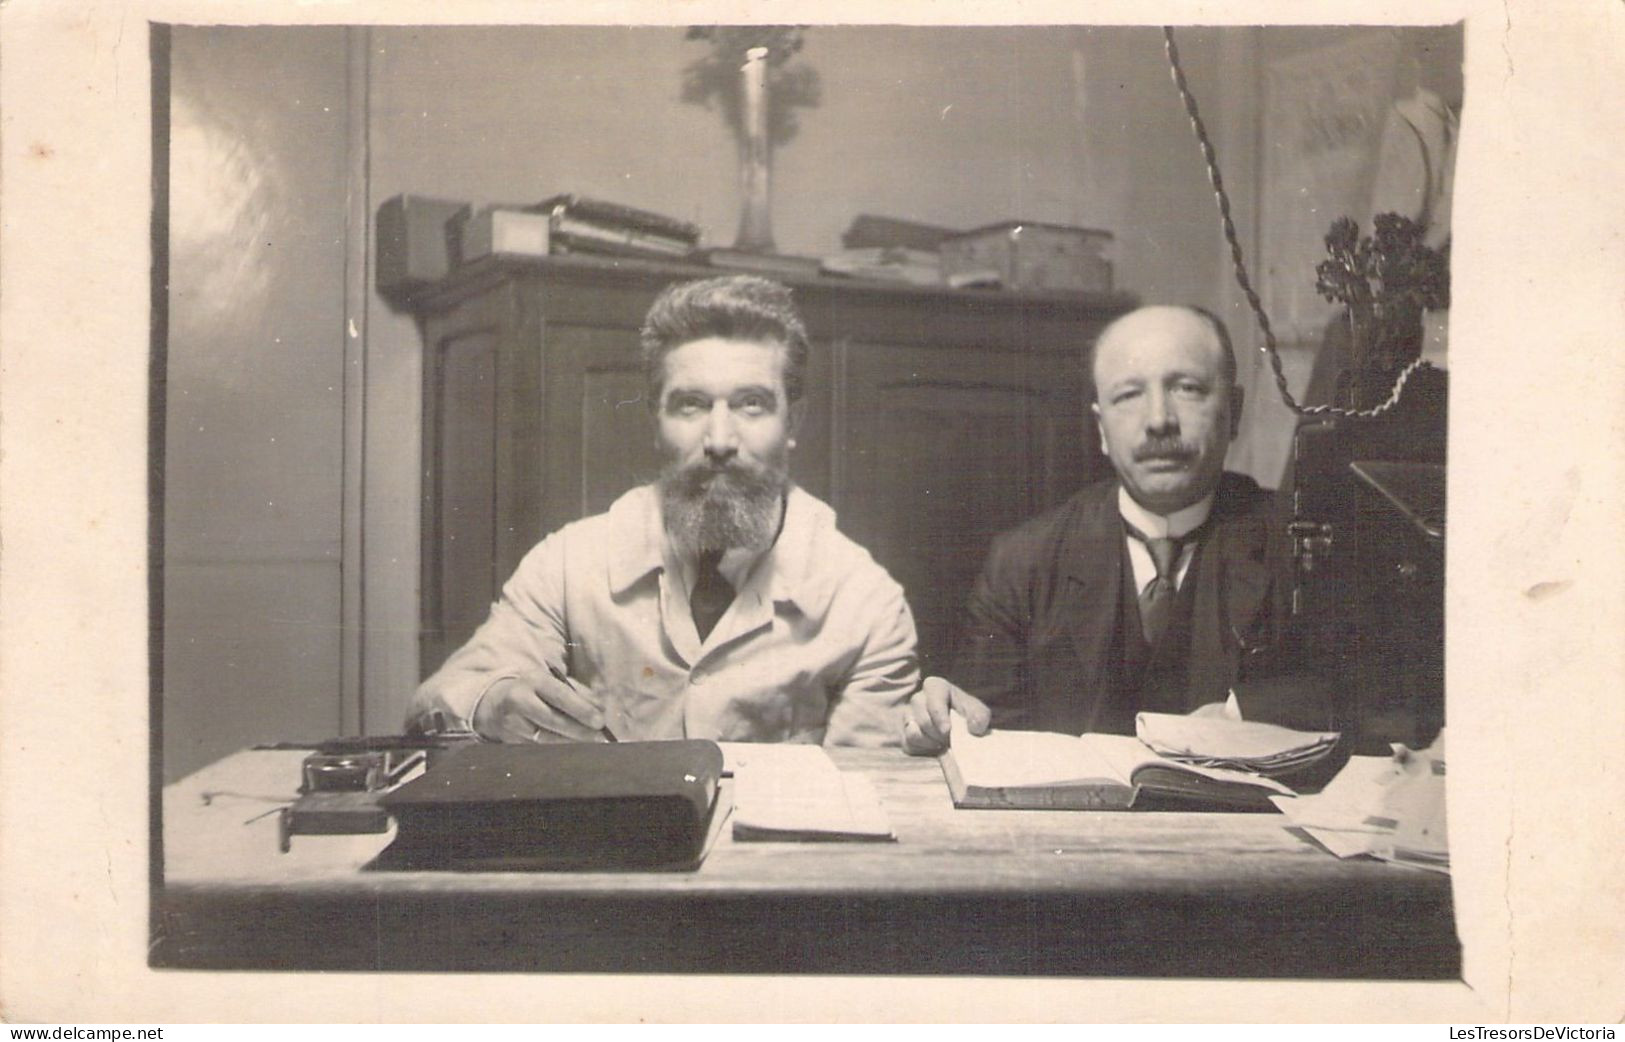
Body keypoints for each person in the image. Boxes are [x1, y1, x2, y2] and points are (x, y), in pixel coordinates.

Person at [411, 275, 919, 746]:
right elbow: (439, 699)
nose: (720, 440)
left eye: (751, 405)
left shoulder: (866, 603)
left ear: (794, 422)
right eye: (691, 405)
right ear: (656, 420)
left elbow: (867, 797)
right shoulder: (568, 564)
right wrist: (490, 704)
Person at [902, 305, 1290, 754]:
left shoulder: (1299, 547)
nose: (1159, 420)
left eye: (1187, 388)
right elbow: (983, 733)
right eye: (1128, 395)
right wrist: (940, 723)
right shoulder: (1023, 562)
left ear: (1234, 410)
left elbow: (1355, 705)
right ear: (1101, 427)